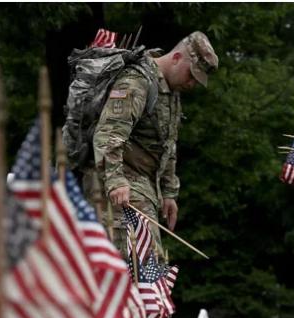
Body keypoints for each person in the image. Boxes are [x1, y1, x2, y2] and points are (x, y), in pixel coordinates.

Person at [91, 31, 218, 258]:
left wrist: (169, 192)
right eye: (191, 75)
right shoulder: (137, 81)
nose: (191, 83)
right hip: (124, 187)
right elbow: (109, 132)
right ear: (177, 57)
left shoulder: (171, 92)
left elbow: (168, 144)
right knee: (143, 265)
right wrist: (116, 181)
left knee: (148, 267)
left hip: (146, 188)